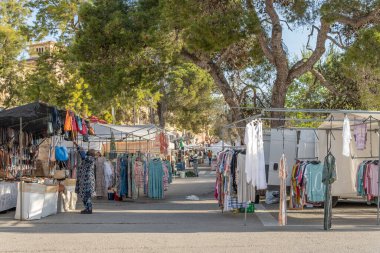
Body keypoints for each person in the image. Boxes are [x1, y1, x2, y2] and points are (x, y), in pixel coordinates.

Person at [74, 142, 96, 214]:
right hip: (84, 180)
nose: (87, 151)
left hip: (87, 180)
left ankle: (89, 209)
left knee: (87, 195)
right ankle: (87, 208)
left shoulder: (90, 159)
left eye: (89, 151)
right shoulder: (88, 159)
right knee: (84, 195)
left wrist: (77, 146)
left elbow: (83, 155)